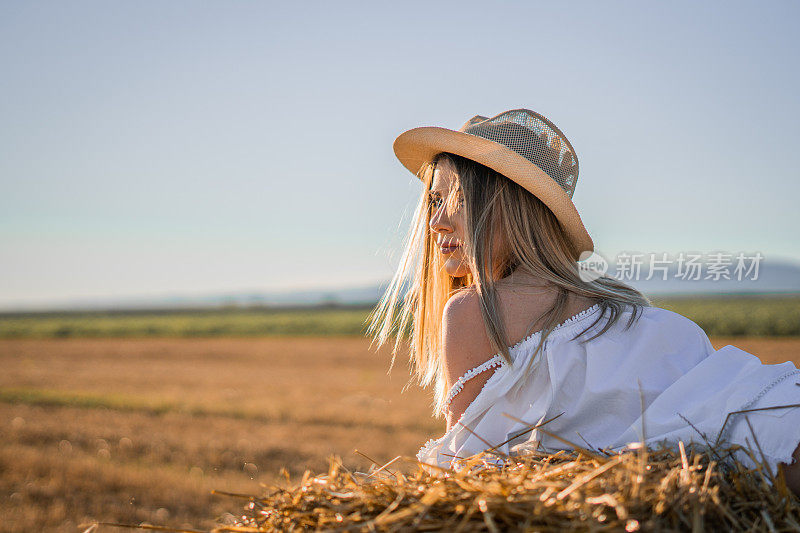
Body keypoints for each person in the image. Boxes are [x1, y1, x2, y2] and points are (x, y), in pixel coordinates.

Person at [366, 109, 800, 495]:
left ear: (508, 207)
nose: (437, 222)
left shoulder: (473, 311)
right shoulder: (632, 309)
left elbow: (467, 473)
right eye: (435, 200)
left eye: (458, 199)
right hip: (773, 415)